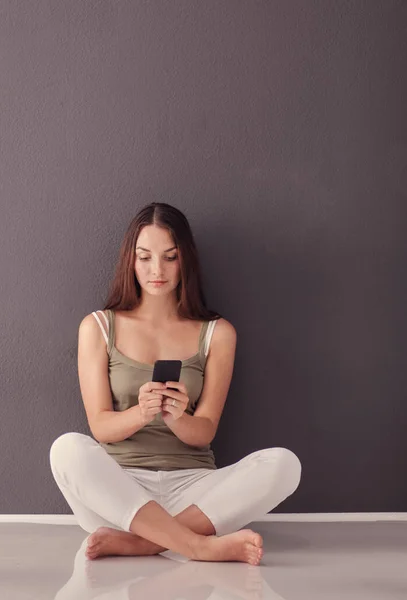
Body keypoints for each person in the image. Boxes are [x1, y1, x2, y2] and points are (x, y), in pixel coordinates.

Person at [49, 202, 302, 565]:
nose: (157, 270)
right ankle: (197, 546)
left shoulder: (218, 333)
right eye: (145, 257)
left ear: (186, 260)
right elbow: (101, 428)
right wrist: (142, 412)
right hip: (120, 495)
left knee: (284, 464)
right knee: (66, 448)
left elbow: (205, 433)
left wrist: (178, 417)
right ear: (130, 261)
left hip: (195, 492)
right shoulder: (98, 327)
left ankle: (140, 543)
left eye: (170, 257)